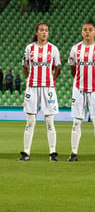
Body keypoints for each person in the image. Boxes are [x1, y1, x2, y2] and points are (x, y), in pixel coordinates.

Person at [67, 20, 95, 162]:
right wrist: (78, 82)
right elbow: (73, 68)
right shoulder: (75, 49)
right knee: (76, 122)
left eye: (90, 29)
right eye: (85, 29)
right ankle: (73, 153)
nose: (87, 32)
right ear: (82, 32)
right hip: (79, 90)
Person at [19, 23, 61, 162]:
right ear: (36, 32)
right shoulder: (29, 48)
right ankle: (26, 152)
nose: (44, 32)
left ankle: (52, 152)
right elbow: (25, 67)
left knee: (49, 121)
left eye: (46, 30)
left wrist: (50, 80)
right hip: (32, 87)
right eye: (41, 30)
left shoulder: (53, 49)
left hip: (48, 88)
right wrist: (31, 78)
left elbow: (57, 68)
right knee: (30, 121)